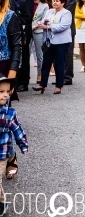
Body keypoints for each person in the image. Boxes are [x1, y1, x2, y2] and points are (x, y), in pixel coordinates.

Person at [32, 0, 72, 95]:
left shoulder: (66, 13)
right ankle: (42, 84)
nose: (55, 2)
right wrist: (42, 24)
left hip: (61, 42)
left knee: (59, 64)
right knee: (46, 63)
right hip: (49, 41)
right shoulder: (49, 11)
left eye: (57, 1)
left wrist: (48, 26)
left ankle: (58, 86)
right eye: (54, 0)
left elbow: (63, 26)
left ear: (63, 3)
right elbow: (42, 21)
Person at [0, 73, 28, 208]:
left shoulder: (9, 113)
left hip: (2, 153)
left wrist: (23, 144)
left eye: (7, 91)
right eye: (1, 92)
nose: (6, 95)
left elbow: (18, 130)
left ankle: (1, 203)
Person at [0, 0, 23, 104]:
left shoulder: (10, 16)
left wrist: (12, 75)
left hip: (3, 67)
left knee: (3, 108)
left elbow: (17, 47)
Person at [9, 0, 32, 93]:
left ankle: (23, 83)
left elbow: (28, 19)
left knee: (22, 59)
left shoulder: (23, 1)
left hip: (20, 33)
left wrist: (15, 20)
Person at [55, 0, 76, 86]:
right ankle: (61, 76)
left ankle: (67, 77)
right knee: (60, 54)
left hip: (68, 29)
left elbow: (66, 11)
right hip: (60, 28)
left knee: (67, 54)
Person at [29, 0, 48, 86]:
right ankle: (25, 75)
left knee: (39, 55)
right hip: (28, 31)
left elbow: (44, 19)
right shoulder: (28, 4)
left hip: (38, 31)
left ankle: (40, 74)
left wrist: (35, 26)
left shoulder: (45, 6)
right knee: (26, 54)